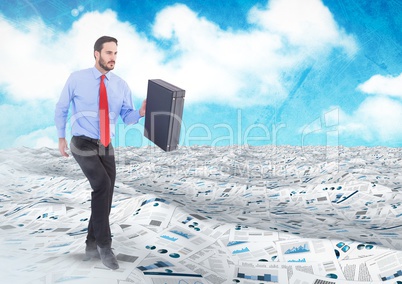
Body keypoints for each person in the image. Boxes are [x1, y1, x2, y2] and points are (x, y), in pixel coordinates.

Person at [54, 36, 146, 270]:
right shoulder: (77, 78)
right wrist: (61, 137)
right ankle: (105, 246)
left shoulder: (121, 85)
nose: (113, 58)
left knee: (105, 193)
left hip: (106, 145)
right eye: (108, 53)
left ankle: (90, 244)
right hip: (81, 142)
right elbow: (62, 107)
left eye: (115, 53)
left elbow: (127, 117)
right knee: (102, 185)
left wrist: (141, 112)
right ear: (96, 54)